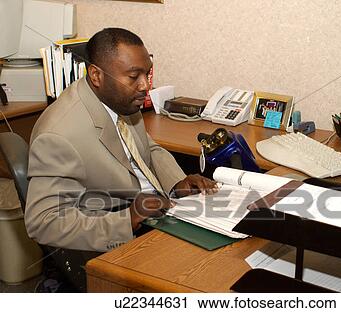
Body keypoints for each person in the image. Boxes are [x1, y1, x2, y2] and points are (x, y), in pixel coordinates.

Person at [25, 28, 218, 252]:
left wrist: (177, 183)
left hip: (159, 209)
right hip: (114, 235)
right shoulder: (58, 136)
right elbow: (43, 221)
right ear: (96, 75)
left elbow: (148, 149)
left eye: (147, 74)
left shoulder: (119, 97)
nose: (145, 86)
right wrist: (127, 219)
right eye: (134, 76)